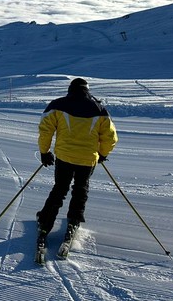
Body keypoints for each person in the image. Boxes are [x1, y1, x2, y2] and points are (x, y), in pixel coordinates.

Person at [36, 77, 118, 246]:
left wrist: (44, 152)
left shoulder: (57, 105)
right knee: (80, 189)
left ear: (70, 90)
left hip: (64, 157)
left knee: (60, 188)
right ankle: (73, 222)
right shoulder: (99, 109)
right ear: (87, 90)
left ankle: (45, 223)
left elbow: (46, 130)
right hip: (87, 159)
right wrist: (102, 154)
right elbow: (110, 137)